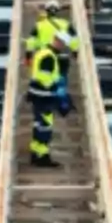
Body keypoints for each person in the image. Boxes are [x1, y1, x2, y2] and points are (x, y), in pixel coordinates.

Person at [27, 31, 72, 168]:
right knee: (45, 127)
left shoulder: (43, 52)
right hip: (44, 96)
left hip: (36, 94)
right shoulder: (49, 57)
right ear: (57, 41)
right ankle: (43, 158)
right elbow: (44, 77)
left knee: (38, 125)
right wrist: (56, 84)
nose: (63, 46)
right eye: (62, 43)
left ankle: (35, 154)